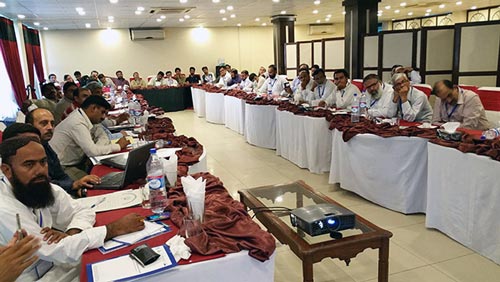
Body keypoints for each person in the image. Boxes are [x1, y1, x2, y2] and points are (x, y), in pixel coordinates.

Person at [0, 136, 145, 281]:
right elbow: (53, 250)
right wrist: (113, 229)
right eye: (29, 164)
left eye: (43, 162)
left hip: (58, 266)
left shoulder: (37, 184)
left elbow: (83, 209)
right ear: (7, 170)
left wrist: (71, 232)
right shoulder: (4, 208)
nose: (40, 170)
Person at [3, 120, 100, 198]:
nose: (39, 169)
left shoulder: (45, 147)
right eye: (29, 164)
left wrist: (74, 187)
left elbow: (60, 176)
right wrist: (73, 186)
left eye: (52, 123)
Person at [49, 95, 130, 179]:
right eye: (102, 112)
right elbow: (93, 152)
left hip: (78, 162)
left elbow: (103, 136)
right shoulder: (77, 122)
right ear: (93, 108)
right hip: (62, 166)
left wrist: (98, 147)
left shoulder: (86, 117)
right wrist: (118, 146)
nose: (103, 117)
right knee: (96, 181)